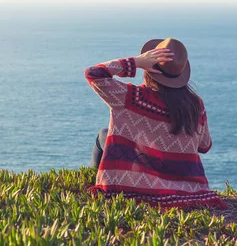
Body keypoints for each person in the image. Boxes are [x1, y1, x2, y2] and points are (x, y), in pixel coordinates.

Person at [85, 38, 227, 209]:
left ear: (149, 69)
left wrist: (136, 62)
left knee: (103, 134)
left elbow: (94, 73)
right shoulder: (195, 105)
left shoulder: (131, 97)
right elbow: (205, 146)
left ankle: (94, 181)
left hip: (135, 189)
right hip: (187, 192)